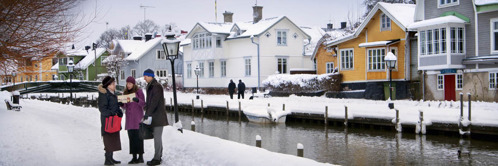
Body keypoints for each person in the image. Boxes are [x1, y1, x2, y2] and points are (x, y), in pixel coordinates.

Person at [143, 69, 168, 166]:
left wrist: (148, 113)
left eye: (145, 76)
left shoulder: (156, 87)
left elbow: (154, 102)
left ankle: (157, 158)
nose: (144, 78)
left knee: (157, 138)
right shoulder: (151, 86)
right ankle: (158, 156)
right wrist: (146, 108)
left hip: (158, 116)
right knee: (157, 137)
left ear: (150, 76)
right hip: (154, 116)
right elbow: (150, 102)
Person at [98, 76, 123, 165]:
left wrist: (119, 112)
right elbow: (102, 109)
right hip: (107, 121)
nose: (114, 85)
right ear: (108, 85)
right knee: (108, 139)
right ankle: (107, 159)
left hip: (114, 120)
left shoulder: (113, 93)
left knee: (113, 139)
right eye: (112, 84)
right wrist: (113, 113)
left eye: (114, 83)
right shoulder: (104, 94)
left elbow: (115, 106)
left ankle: (111, 158)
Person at [120, 76, 145, 164]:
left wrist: (137, 100)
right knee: (132, 138)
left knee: (139, 138)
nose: (128, 85)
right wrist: (121, 104)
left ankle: (140, 156)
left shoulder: (139, 92)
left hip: (138, 118)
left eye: (130, 83)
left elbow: (143, 104)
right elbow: (125, 106)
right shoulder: (125, 93)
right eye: (127, 83)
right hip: (130, 119)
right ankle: (134, 157)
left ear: (133, 84)